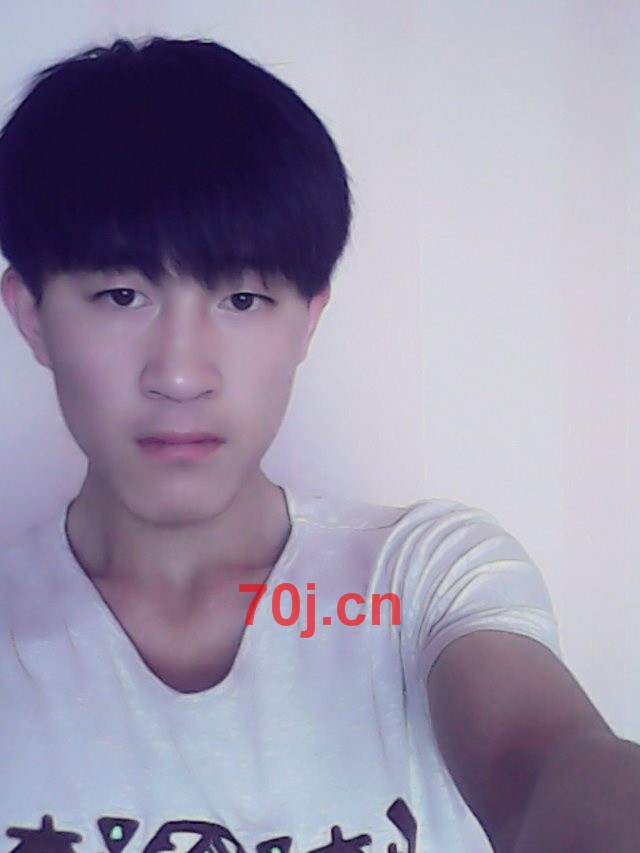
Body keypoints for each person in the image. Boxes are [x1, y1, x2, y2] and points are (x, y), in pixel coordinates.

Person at [0, 36, 638, 853]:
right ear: (31, 315)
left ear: (308, 320)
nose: (181, 373)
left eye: (242, 299)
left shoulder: (419, 579)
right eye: (122, 294)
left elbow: (545, 760)